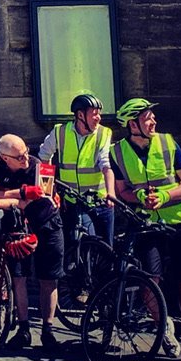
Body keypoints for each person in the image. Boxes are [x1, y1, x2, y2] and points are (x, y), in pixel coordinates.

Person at [0, 133, 64, 351]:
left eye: (26, 153)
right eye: (19, 157)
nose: (26, 159)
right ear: (5, 158)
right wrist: (21, 192)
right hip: (17, 222)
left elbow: (35, 199)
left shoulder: (36, 166)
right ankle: (23, 328)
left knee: (48, 278)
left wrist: (2, 199)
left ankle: (48, 329)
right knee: (18, 276)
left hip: (46, 221)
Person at [110, 98, 181, 360]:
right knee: (149, 278)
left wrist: (165, 197)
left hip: (177, 220)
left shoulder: (167, 142)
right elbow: (122, 191)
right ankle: (164, 328)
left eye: (152, 117)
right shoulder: (117, 151)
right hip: (146, 224)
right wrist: (141, 197)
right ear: (133, 124)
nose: (153, 121)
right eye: (147, 117)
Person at [38, 92, 115, 246]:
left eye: (99, 114)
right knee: (82, 242)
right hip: (73, 201)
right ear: (80, 115)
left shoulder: (103, 133)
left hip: (101, 201)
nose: (98, 118)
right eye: (94, 114)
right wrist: (48, 191)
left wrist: (110, 193)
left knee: (107, 248)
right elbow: (43, 158)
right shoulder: (60, 132)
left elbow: (106, 166)